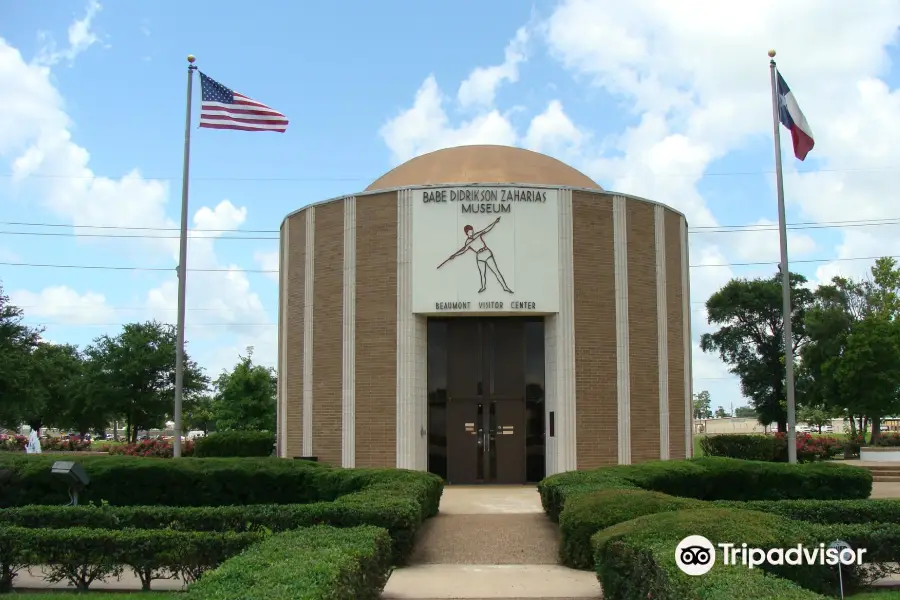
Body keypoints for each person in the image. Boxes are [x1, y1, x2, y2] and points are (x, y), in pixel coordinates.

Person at [437, 217, 513, 293]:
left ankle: (505, 287)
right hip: (479, 256)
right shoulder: (468, 242)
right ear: (467, 233)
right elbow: (463, 250)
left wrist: (494, 222)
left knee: (496, 271)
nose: (472, 232)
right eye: (470, 232)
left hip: (486, 253)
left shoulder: (477, 234)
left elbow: (486, 229)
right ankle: (483, 287)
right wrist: (454, 255)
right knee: (482, 273)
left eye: (472, 231)